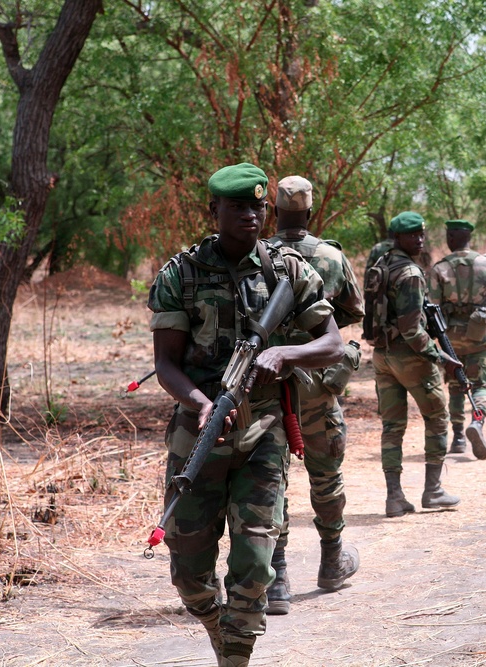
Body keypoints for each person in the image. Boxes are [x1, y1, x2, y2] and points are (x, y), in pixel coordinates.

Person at [148, 163, 343, 667]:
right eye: (237, 207)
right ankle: (217, 625)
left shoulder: (288, 270)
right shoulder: (181, 274)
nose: (250, 215)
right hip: (198, 434)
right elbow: (165, 365)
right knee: (189, 575)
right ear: (213, 211)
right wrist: (203, 403)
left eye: (258, 206)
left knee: (256, 567)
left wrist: (284, 355)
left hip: (263, 434)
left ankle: (235, 654)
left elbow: (333, 342)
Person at [264, 175, 365, 615]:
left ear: (273, 213)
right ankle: (331, 563)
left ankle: (278, 578)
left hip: (267, 381)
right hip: (318, 381)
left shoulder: (259, 255)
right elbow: (352, 311)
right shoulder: (328, 255)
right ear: (309, 213)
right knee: (326, 474)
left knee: (271, 477)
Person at [365, 211, 463, 517]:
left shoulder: (380, 266)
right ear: (398, 238)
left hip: (382, 356)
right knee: (437, 416)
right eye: (412, 236)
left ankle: (394, 498)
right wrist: (439, 356)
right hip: (410, 357)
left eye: (421, 234)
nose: (419, 240)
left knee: (392, 427)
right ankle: (433, 491)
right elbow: (410, 328)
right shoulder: (410, 272)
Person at [427, 219, 486, 458]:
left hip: (450, 336)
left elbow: (430, 303)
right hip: (477, 333)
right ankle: (477, 422)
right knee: (481, 384)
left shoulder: (439, 268)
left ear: (451, 239)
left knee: (455, 384)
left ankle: (457, 437)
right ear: (469, 238)